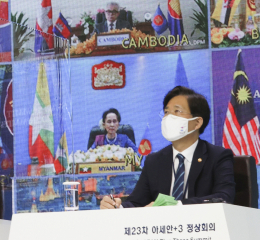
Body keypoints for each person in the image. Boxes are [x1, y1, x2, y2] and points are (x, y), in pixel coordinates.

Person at [100, 86, 235, 209]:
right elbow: (137, 203)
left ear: (197, 122)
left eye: (177, 111)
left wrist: (175, 206)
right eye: (166, 112)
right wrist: (117, 207)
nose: (168, 118)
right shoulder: (154, 161)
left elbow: (223, 198)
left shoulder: (218, 157)